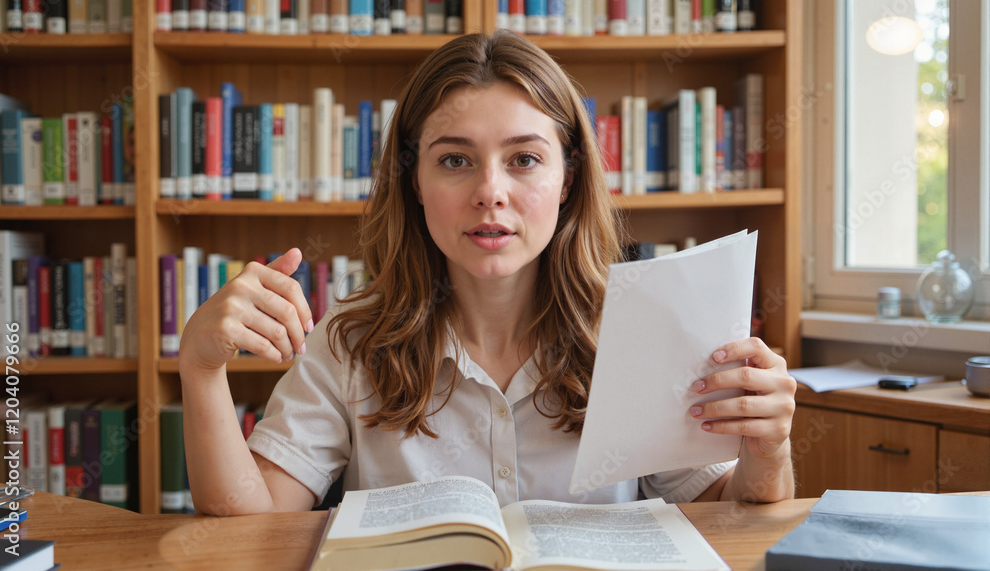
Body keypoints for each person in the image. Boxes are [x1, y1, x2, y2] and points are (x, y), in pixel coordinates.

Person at [179, 31, 796, 516]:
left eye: (524, 159)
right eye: (455, 160)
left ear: (568, 178)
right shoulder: (350, 339)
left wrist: (767, 451)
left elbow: (726, 514)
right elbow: (249, 519)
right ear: (415, 180)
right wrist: (201, 367)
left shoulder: (642, 326)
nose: (490, 193)